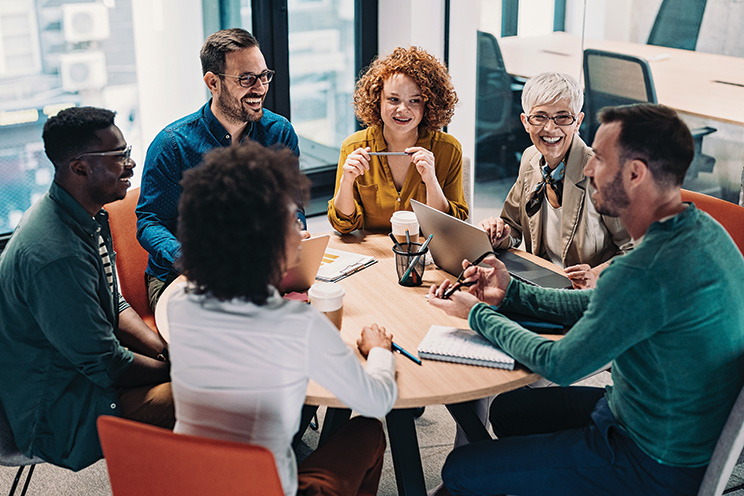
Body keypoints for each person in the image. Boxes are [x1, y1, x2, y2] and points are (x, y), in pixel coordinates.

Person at [428, 103, 744, 496]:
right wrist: (511, 292)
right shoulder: (702, 229)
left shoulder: (643, 270)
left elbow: (558, 363)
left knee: (461, 468)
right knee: (510, 410)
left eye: (599, 157)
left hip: (648, 461)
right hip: (654, 420)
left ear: (634, 174)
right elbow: (601, 306)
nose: (589, 168)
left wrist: (478, 314)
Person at [167, 141, 398, 496]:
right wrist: (379, 350)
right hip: (264, 488)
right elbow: (377, 401)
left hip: (187, 482)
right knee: (367, 431)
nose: (301, 230)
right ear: (265, 241)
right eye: (291, 219)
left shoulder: (180, 303)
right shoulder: (296, 325)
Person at [0, 107, 174, 471]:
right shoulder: (55, 254)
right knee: (213, 393)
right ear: (79, 168)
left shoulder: (84, 213)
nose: (131, 165)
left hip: (81, 374)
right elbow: (107, 364)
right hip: (58, 409)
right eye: (120, 157)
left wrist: (163, 350)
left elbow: (113, 300)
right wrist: (178, 371)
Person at [136, 28, 304, 312]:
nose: (260, 88)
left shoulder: (279, 133)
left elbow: (292, 205)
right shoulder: (172, 145)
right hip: (181, 277)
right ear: (213, 83)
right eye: (247, 79)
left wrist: (294, 229)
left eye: (264, 76)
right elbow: (149, 222)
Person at [479, 72, 631, 289]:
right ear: (525, 122)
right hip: (541, 284)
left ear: (577, 121)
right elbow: (512, 226)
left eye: (563, 117)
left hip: (589, 296)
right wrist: (497, 233)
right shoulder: (530, 159)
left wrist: (598, 275)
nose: (550, 128)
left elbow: (639, 249)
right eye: (540, 116)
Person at [327, 46, 468, 233]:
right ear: (377, 100)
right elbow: (343, 225)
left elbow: (450, 227)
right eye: (393, 99)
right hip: (373, 256)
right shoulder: (353, 147)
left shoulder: (448, 149)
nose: (402, 109)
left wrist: (431, 180)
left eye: (415, 100)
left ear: (429, 104)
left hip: (426, 255)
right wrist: (346, 181)